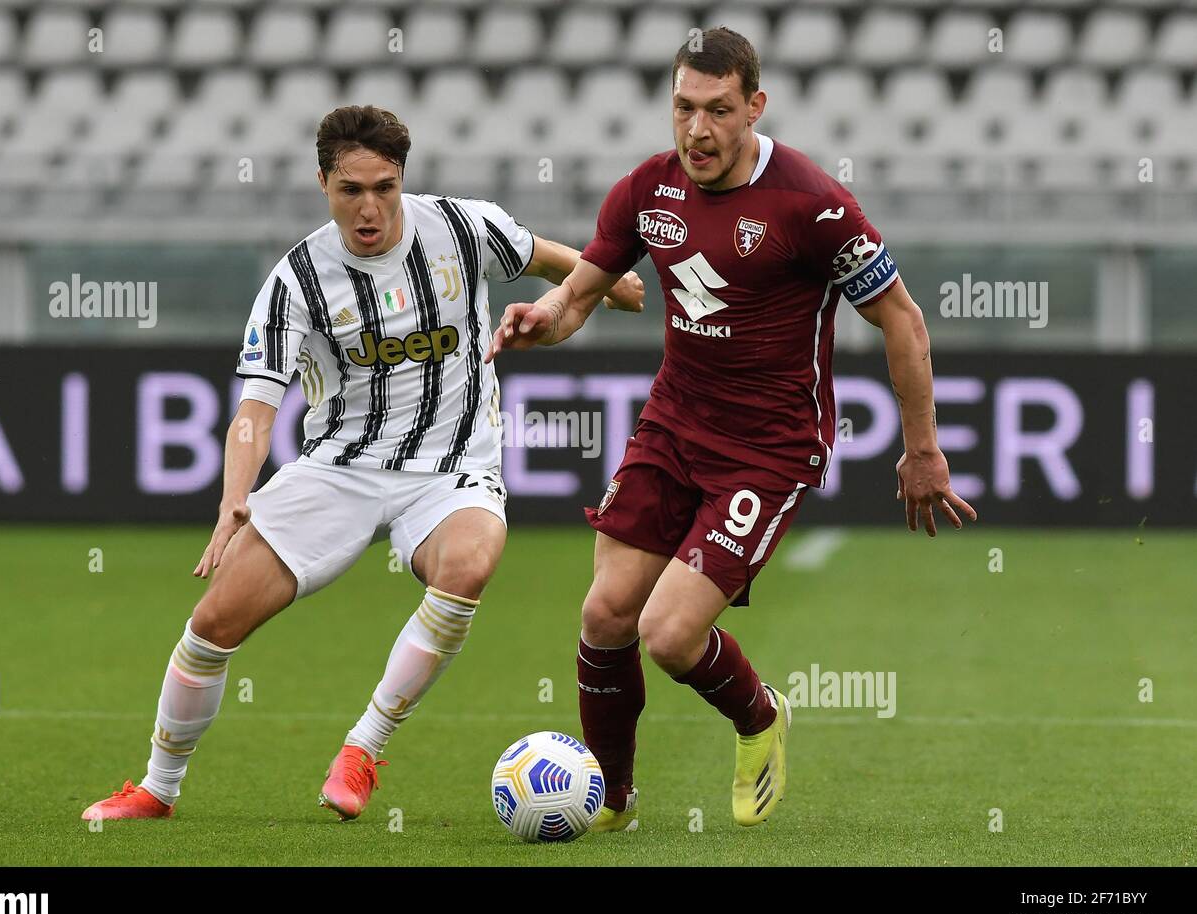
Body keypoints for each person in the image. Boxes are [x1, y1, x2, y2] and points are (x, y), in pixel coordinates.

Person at [82, 105, 644, 823]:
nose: (370, 207)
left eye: (384, 186)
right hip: (337, 468)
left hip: (451, 465)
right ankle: (158, 789)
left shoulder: (461, 227)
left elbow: (541, 254)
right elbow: (257, 410)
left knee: (470, 561)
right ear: (323, 183)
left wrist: (606, 282)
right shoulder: (296, 280)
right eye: (351, 190)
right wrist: (234, 495)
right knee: (214, 624)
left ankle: (363, 749)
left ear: (402, 178)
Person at [485, 29, 976, 830]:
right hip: (672, 426)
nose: (697, 130)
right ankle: (611, 799)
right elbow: (579, 294)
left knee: (670, 636)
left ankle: (760, 717)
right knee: (606, 616)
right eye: (683, 107)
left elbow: (903, 320)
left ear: (755, 106)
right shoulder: (645, 189)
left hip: (768, 449)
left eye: (718, 110)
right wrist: (543, 319)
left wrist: (922, 449)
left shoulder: (811, 203)